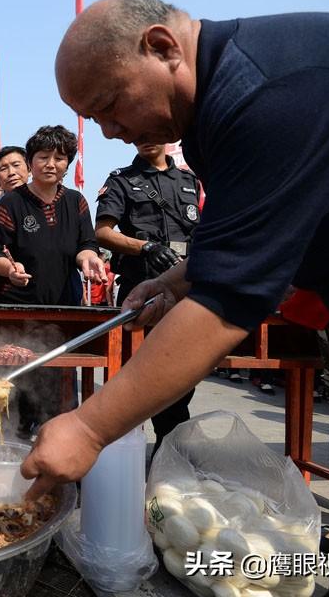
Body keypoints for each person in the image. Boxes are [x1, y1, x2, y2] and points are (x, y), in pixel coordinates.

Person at [23, 0, 329, 591]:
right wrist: (171, 280)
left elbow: (230, 301)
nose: (112, 132)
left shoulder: (267, 94)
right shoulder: (212, 116)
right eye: (97, 121)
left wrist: (89, 428)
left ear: (163, 47)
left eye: (111, 107)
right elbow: (244, 233)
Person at [0, 125, 106, 438]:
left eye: (60, 157)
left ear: (68, 163)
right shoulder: (11, 203)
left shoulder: (77, 202)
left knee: (57, 396)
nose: (51, 163)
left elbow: (85, 245)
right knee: (15, 393)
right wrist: (8, 270)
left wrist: (88, 259)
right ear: (31, 162)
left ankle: (58, 461)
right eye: (43, 157)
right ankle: (8, 453)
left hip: (61, 313)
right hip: (17, 314)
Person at [95, 142, 201, 449]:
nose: (147, 138)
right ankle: (149, 456)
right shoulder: (121, 180)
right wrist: (145, 247)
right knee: (141, 380)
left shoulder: (189, 181)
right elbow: (103, 232)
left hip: (185, 293)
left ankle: (168, 457)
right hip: (141, 295)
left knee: (181, 381)